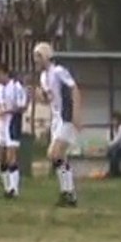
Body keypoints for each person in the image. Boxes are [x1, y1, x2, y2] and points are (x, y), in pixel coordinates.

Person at [33, 41, 81, 207]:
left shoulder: (59, 71)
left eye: (38, 56)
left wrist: (76, 115)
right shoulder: (43, 77)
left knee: (54, 153)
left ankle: (68, 192)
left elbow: (74, 89)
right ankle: (68, 193)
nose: (36, 60)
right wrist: (41, 97)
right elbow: (50, 99)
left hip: (65, 117)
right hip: (55, 119)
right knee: (59, 157)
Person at [0, 63, 28, 199]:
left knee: (11, 157)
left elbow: (22, 107)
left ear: (5, 73)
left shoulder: (16, 87)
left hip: (13, 123)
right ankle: (7, 188)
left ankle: (14, 189)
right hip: (2, 125)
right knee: (1, 158)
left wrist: (6, 111)